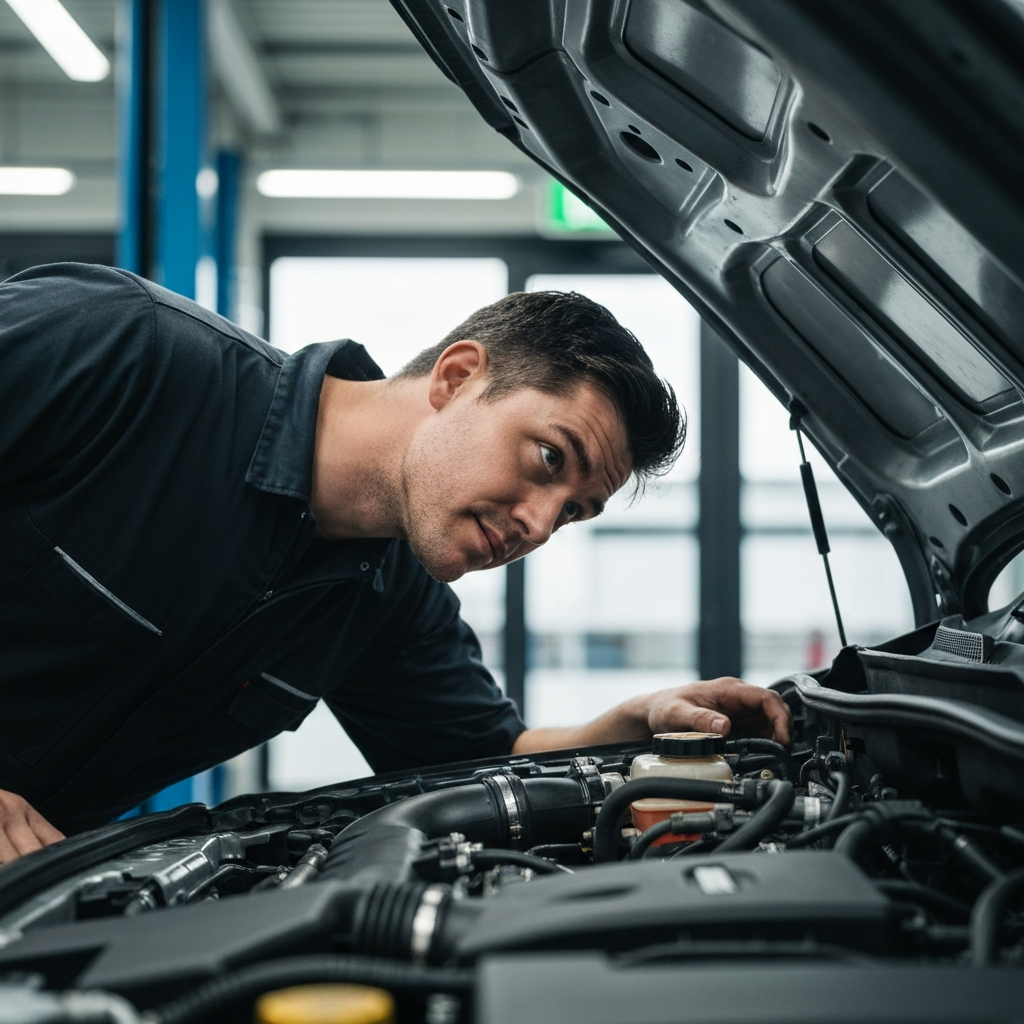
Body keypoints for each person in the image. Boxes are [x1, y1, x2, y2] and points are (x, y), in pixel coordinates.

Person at [0, 263, 790, 864]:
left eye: (575, 512)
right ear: (456, 377)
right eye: (550, 457)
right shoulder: (122, 350)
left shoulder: (390, 599)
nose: (540, 525)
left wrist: (627, 732)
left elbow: (473, 761)